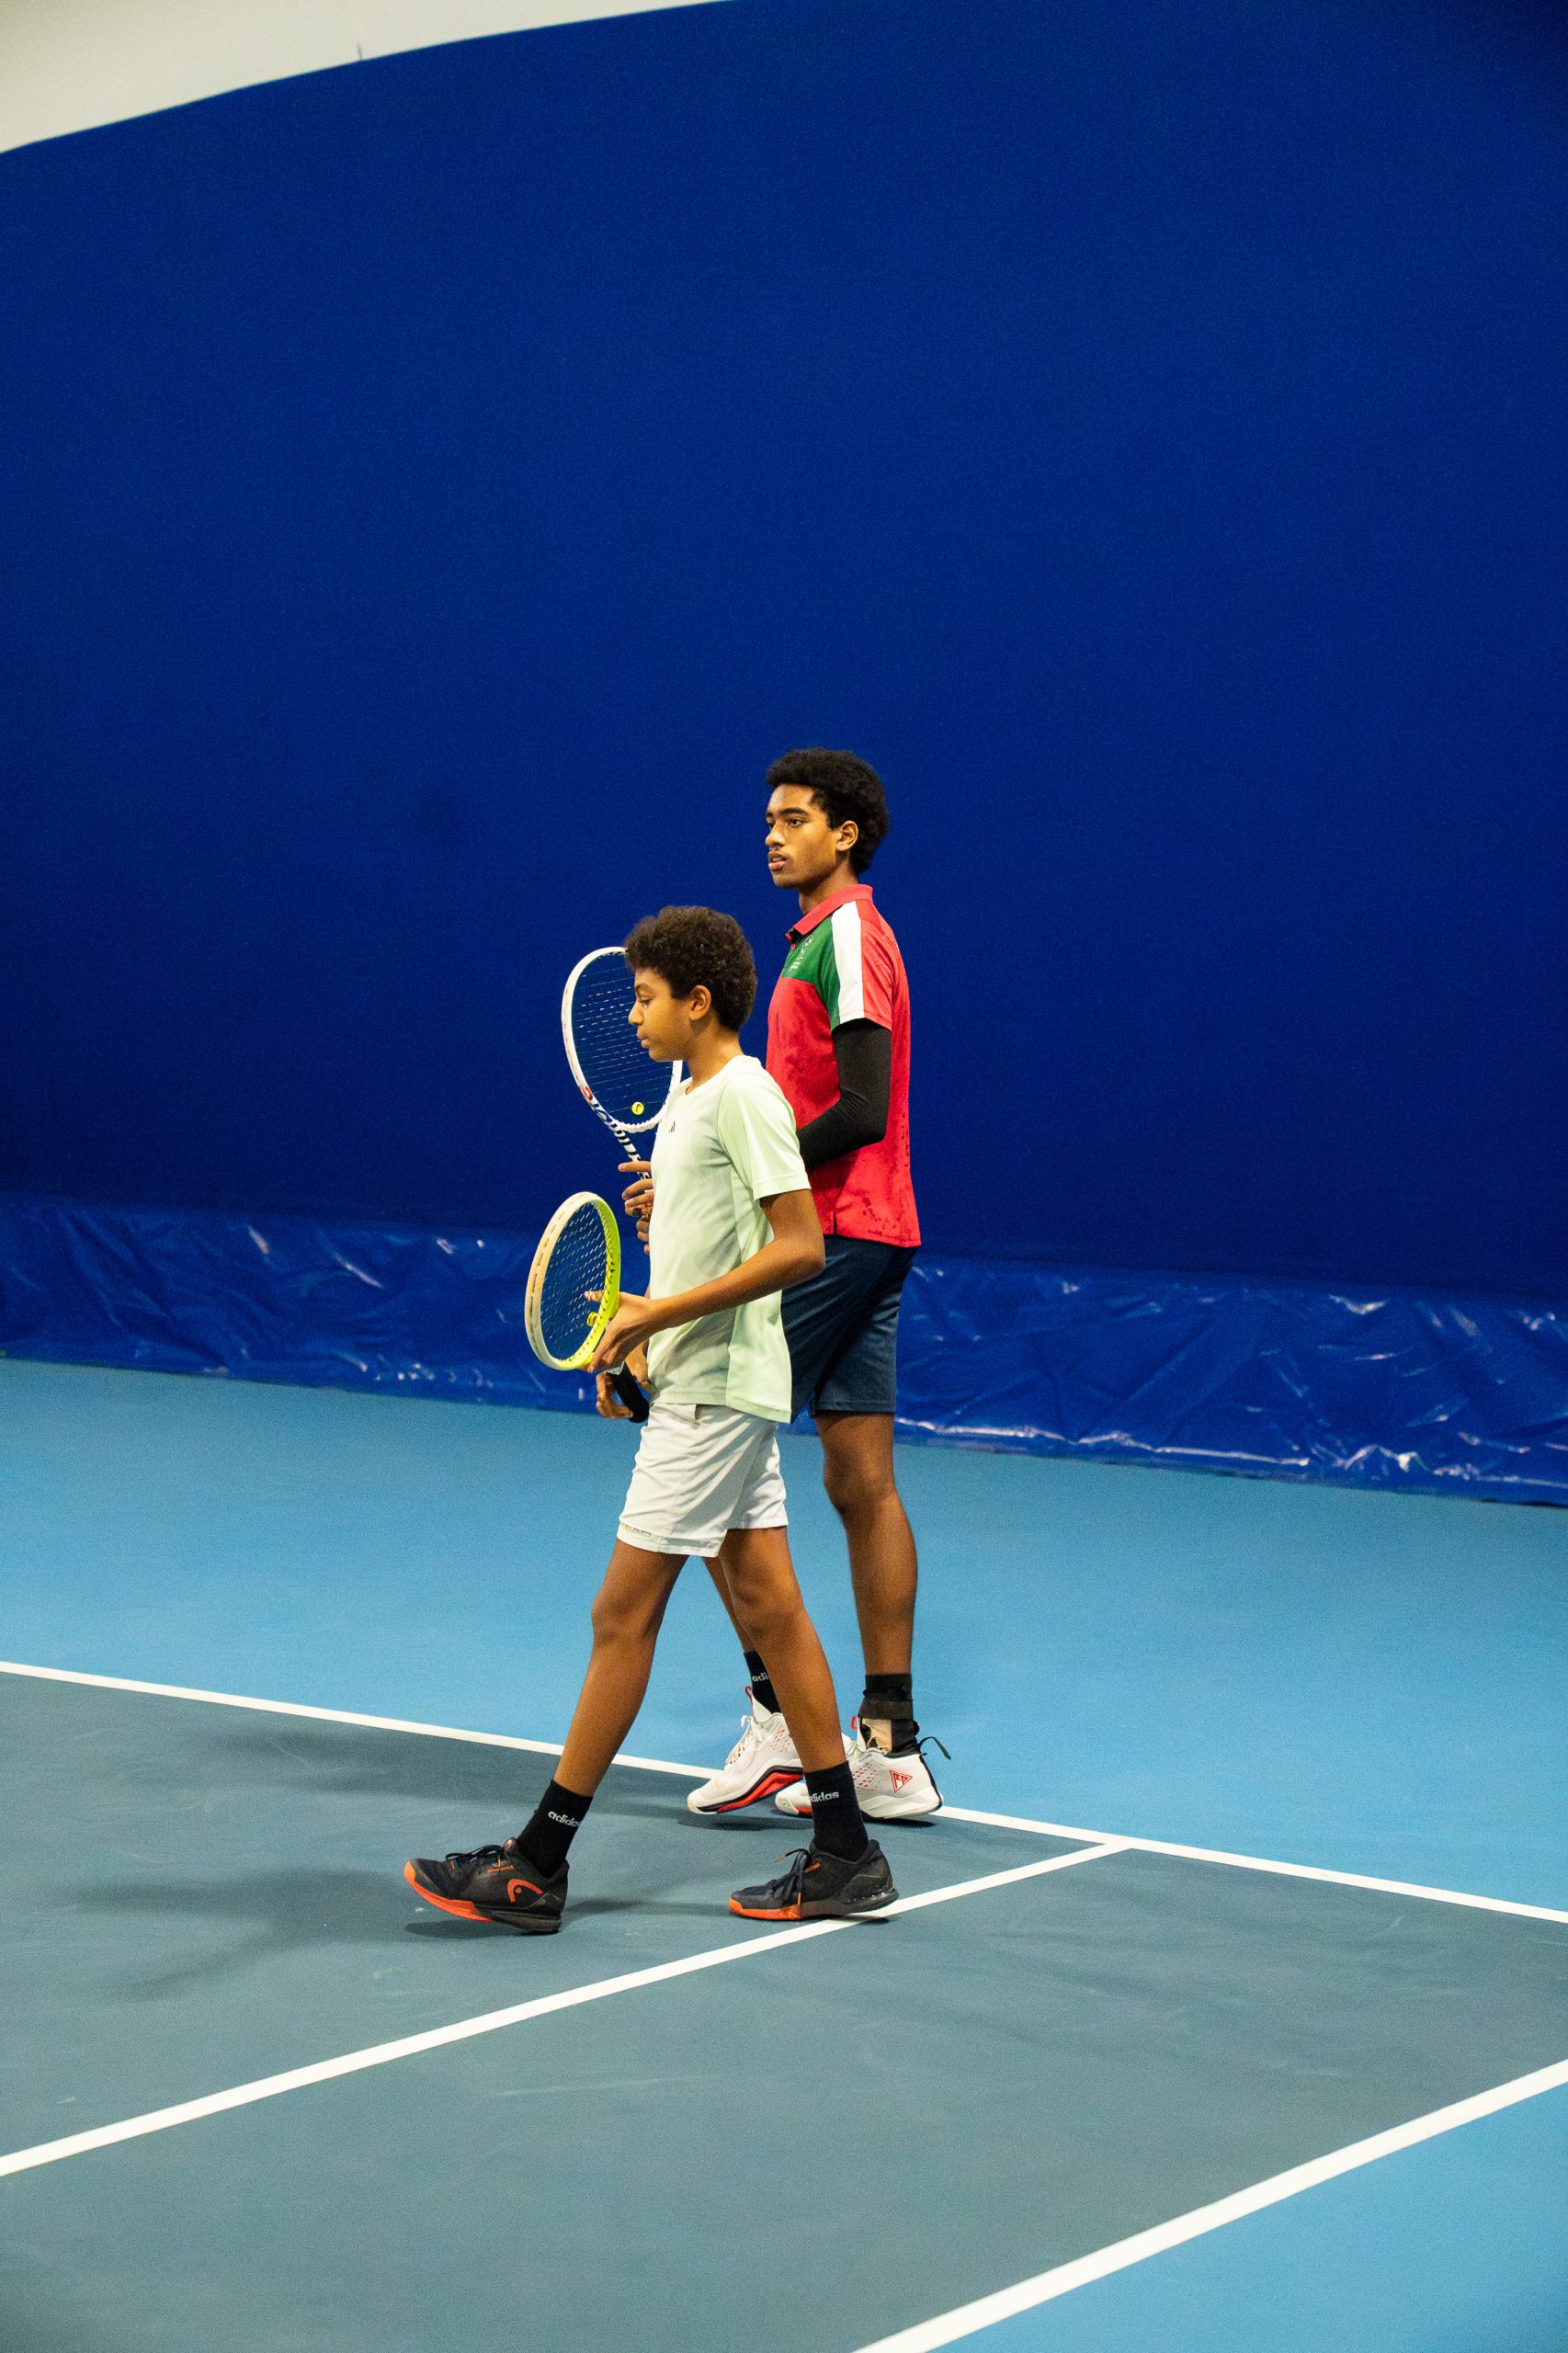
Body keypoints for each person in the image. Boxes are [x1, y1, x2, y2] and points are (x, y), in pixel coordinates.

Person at [405, 905, 898, 1933]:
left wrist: (656, 1319)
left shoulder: (746, 1096)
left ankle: (537, 1861)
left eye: (644, 998)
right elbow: (711, 1245)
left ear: (698, 1001)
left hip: (717, 1395)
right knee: (771, 1608)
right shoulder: (689, 1106)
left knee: (620, 1616)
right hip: (702, 1382)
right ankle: (847, 1851)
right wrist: (639, 1344)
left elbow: (800, 1246)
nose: (632, 1018)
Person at [608, 751, 939, 1826]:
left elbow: (861, 1106)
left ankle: (772, 1715)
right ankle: (887, 1749)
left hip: (830, 1232)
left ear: (845, 834)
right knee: (859, 1479)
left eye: (794, 819)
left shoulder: (843, 935)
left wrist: (738, 1181)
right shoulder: (814, 941)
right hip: (871, 1229)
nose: (771, 835)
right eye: (768, 820)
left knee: (700, 1426)